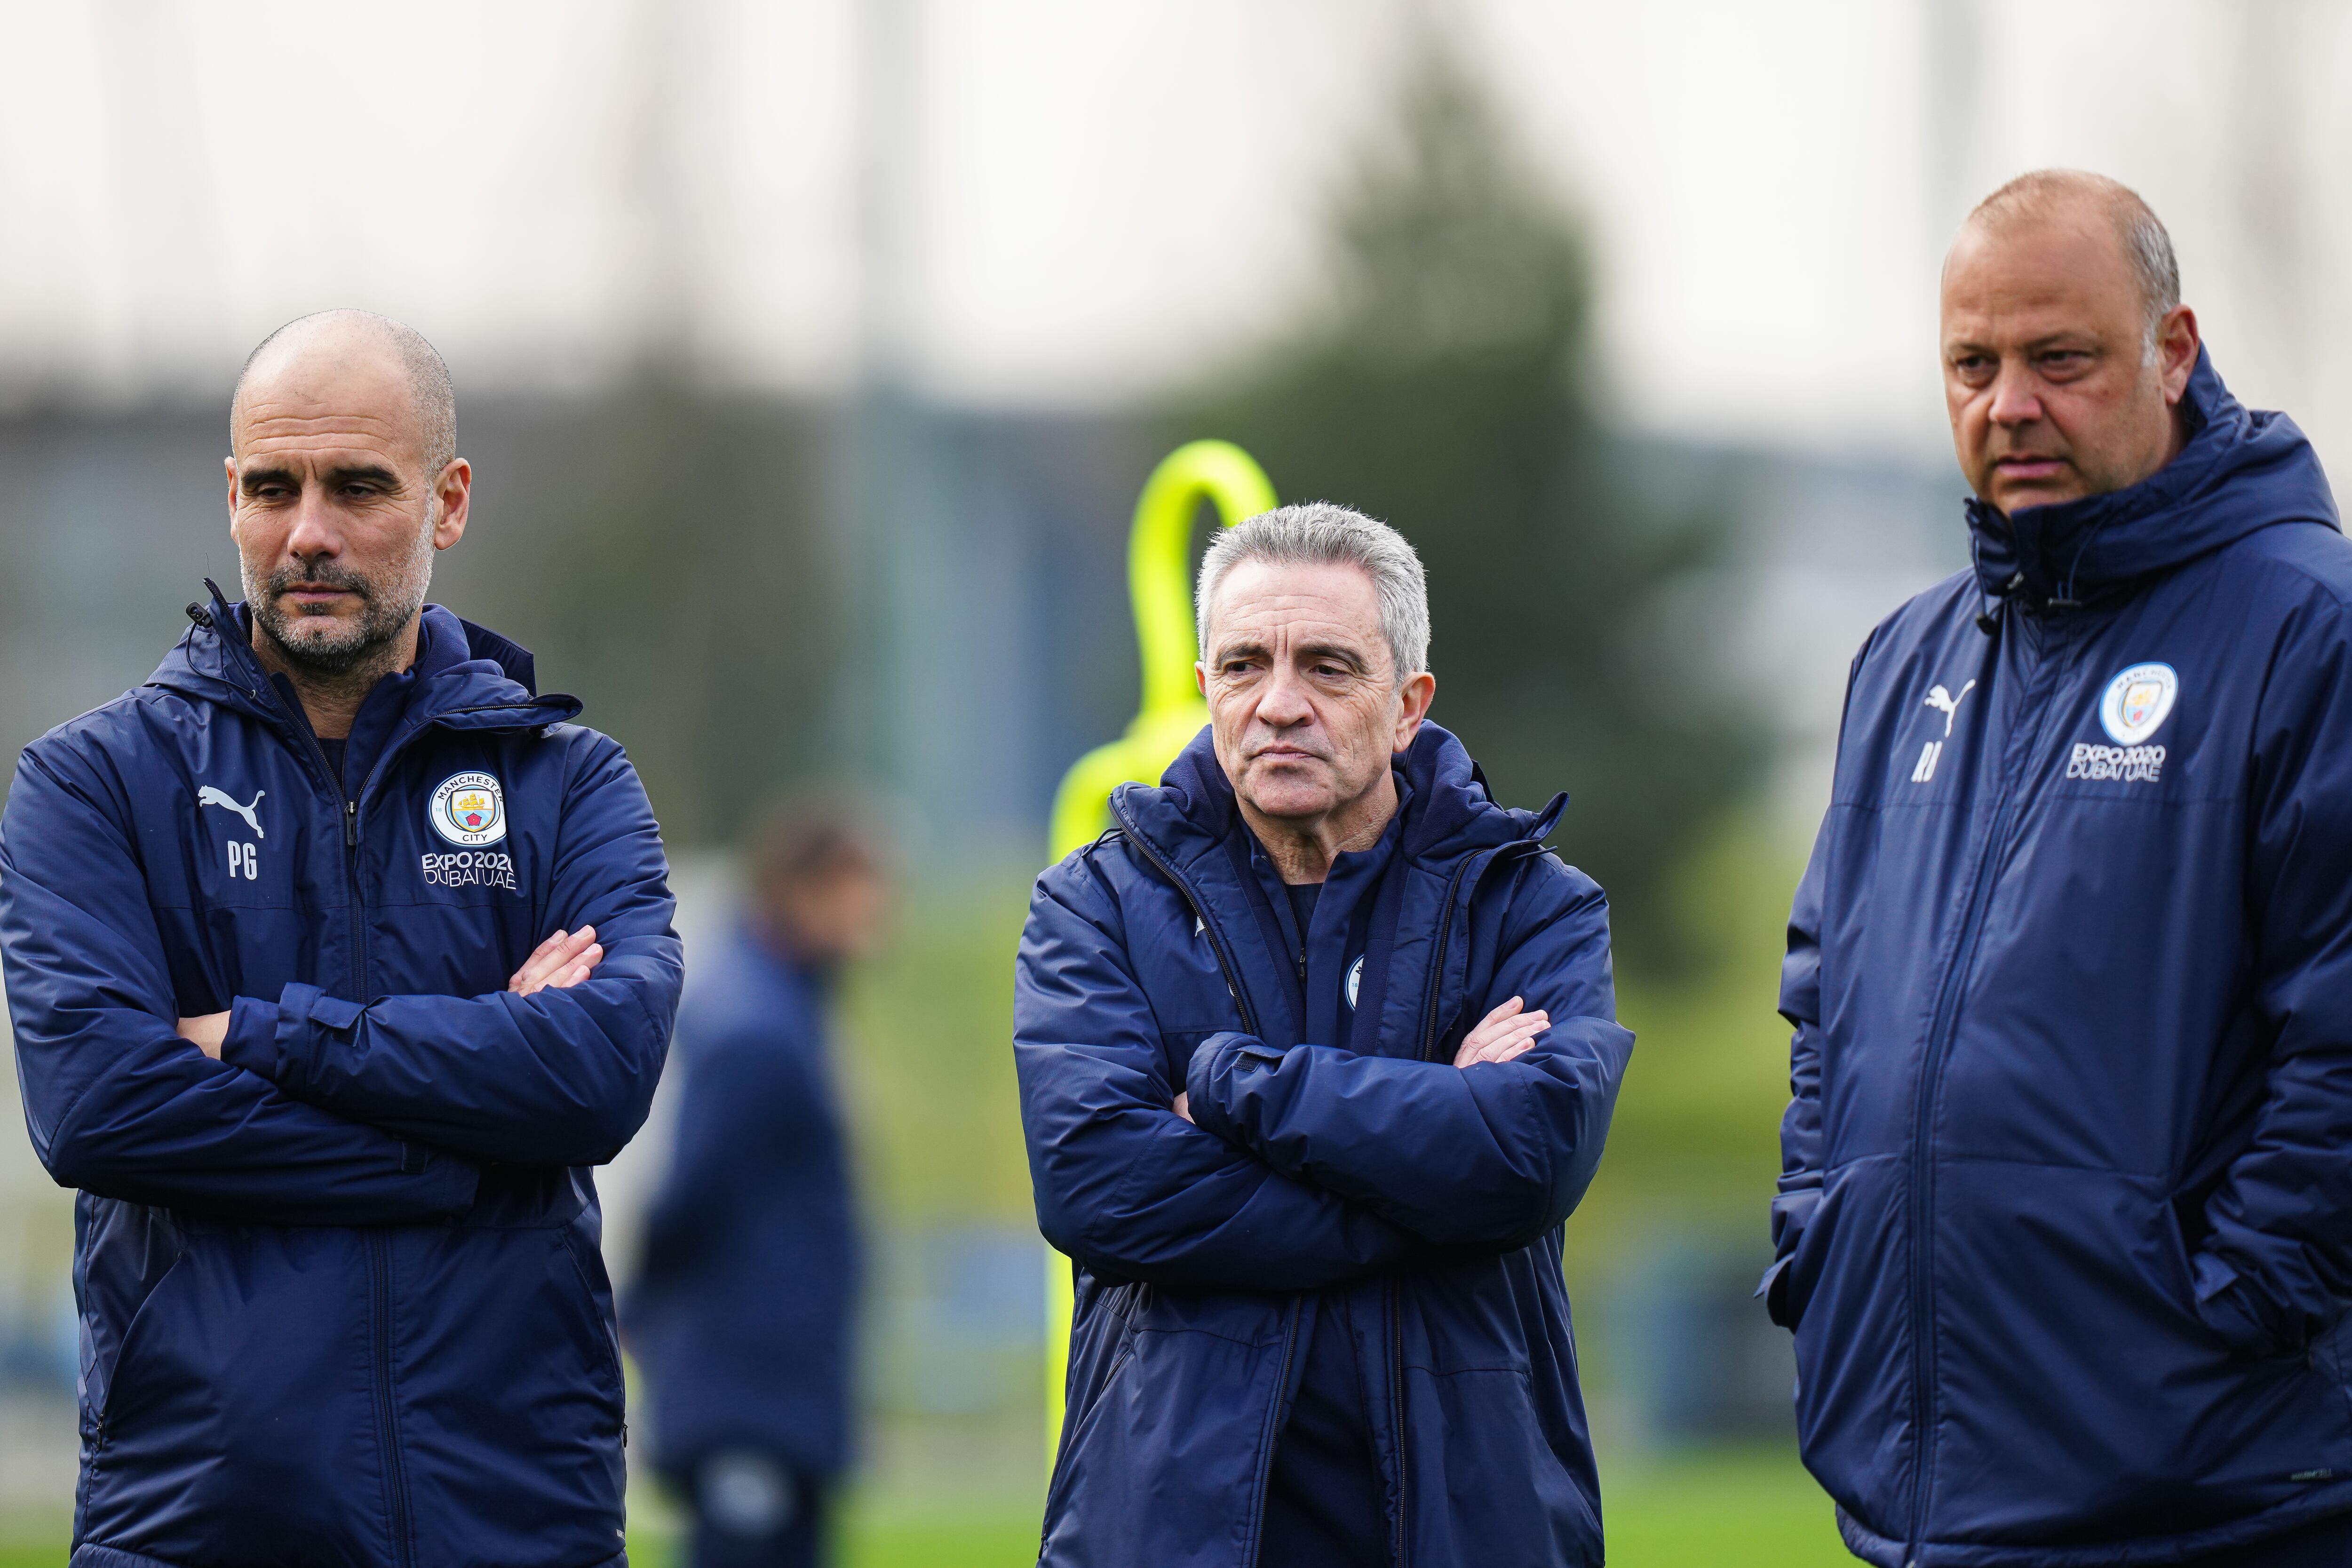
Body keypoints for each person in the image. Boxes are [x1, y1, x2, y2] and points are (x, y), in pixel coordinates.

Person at [0, 310, 682, 1567]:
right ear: (232, 498)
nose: (307, 531)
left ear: (448, 500)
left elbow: (596, 1077)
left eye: (358, 486)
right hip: (199, 1519)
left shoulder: (567, 784)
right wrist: (468, 1143)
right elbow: (99, 1106)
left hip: (513, 1517)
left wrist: (268, 1035)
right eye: (274, 487)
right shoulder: (94, 784)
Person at [1767, 170, 2352, 1567]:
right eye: (1973, 365)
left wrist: (2230, 1302)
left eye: (2060, 359)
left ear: (2173, 350)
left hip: (2214, 1494)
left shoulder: (2308, 632)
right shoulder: (1905, 658)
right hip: (1920, 1499)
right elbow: (1826, 1006)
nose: (2009, 405)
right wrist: (1817, 1245)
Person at [1016, 502, 1633, 1568]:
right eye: (1244, 665)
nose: (1279, 703)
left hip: (1472, 1522)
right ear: (1206, 688)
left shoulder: (1532, 903)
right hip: (1165, 1528)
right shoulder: (1095, 903)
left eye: (1328, 667)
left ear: (1407, 705)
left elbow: (1527, 1157)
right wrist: (1428, 1145)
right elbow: (1097, 1186)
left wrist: (1227, 1085)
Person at [627, 795, 885, 1568]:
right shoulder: (756, 1028)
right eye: (860, 887)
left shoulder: (788, 1006)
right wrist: (639, 1305)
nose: (877, 911)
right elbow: (690, 1195)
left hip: (777, 1385)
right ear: (802, 888)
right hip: (746, 1387)